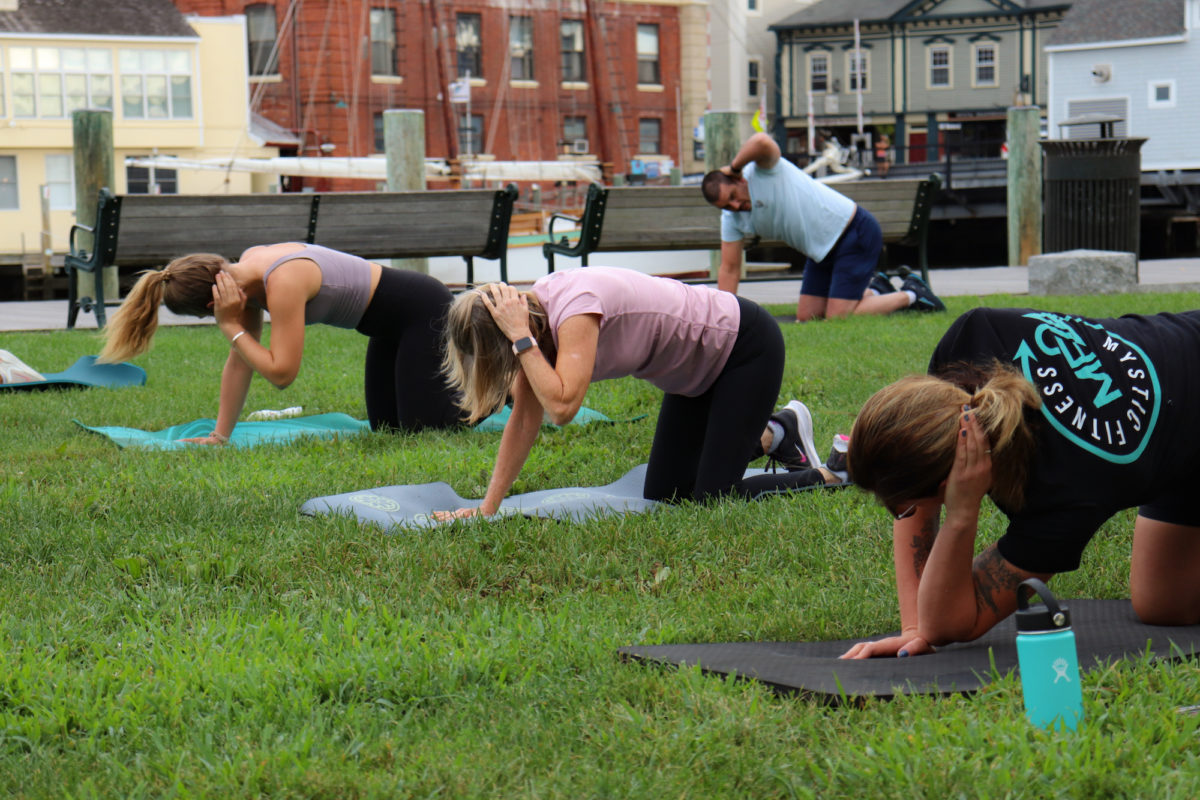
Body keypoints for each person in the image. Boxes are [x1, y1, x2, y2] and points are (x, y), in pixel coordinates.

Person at [841, 307, 1200, 659]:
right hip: (1180, 429)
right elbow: (917, 485)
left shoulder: (1067, 491)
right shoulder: (968, 344)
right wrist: (913, 629)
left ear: (946, 484)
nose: (901, 512)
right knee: (1166, 606)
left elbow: (949, 624)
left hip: (1184, 383)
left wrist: (962, 514)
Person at [434, 267, 848, 519]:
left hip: (742, 348)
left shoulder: (572, 310)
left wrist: (520, 338)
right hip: (692, 376)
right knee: (666, 494)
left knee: (713, 499)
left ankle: (832, 474)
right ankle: (777, 432)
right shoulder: (533, 327)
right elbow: (525, 418)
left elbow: (561, 408)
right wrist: (488, 508)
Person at [98, 242, 461, 442]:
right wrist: (219, 436)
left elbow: (282, 373)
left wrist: (228, 326)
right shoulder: (245, 277)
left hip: (422, 310)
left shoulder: (282, 282)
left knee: (423, 431)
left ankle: (499, 388)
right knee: (387, 430)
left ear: (212, 304)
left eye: (213, 316)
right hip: (386, 329)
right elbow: (241, 360)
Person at [701, 132, 944, 321]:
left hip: (853, 232)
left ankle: (912, 294)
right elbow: (730, 268)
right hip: (820, 252)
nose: (735, 205)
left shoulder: (765, 169)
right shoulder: (731, 218)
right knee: (808, 318)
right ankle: (878, 290)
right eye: (727, 205)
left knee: (838, 317)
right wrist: (725, 316)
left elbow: (762, 141)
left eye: (733, 195)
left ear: (739, 179)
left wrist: (733, 167)